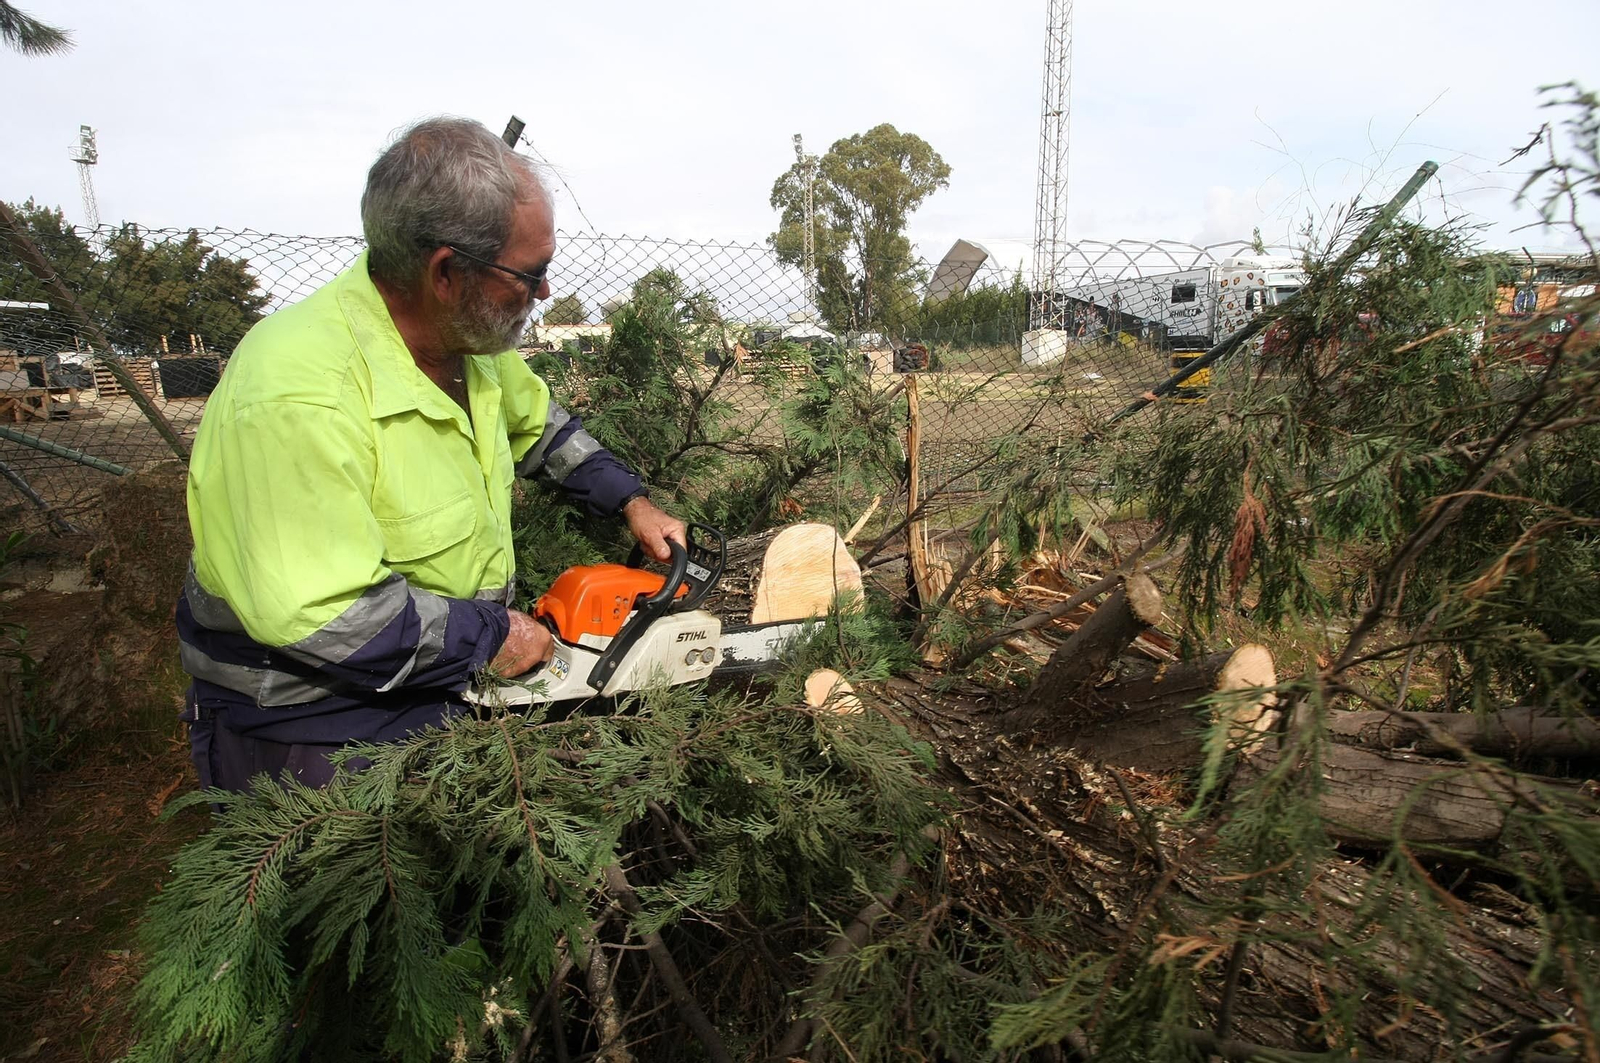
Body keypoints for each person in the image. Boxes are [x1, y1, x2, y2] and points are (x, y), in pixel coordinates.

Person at [177, 117, 685, 793]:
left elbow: (541, 428)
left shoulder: (467, 346)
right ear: (446, 272)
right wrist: (490, 636)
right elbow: (331, 615)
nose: (545, 295)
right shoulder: (296, 393)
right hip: (310, 725)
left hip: (431, 680)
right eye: (531, 275)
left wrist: (631, 499)